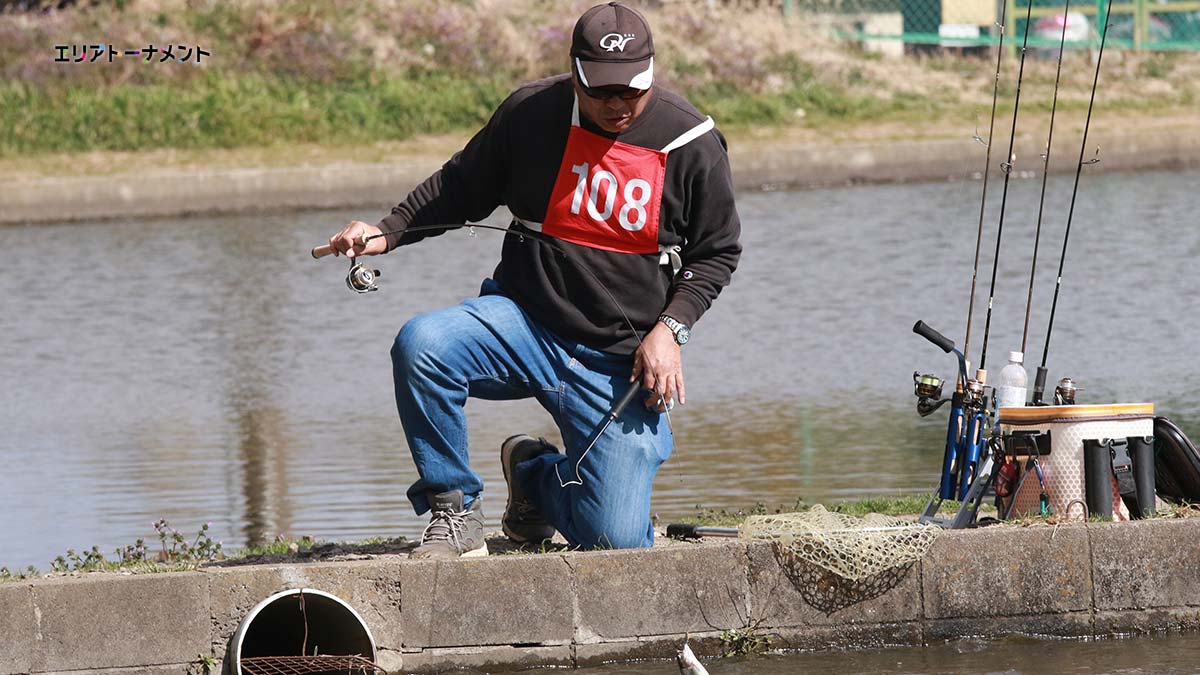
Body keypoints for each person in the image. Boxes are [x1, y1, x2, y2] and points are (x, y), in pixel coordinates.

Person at [325, 2, 741, 558]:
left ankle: (535, 479)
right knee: (424, 345)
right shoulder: (531, 114)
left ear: (651, 71)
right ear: (576, 74)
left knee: (616, 542)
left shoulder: (690, 142)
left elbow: (716, 253)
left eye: (632, 91)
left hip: (620, 358)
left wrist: (670, 329)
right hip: (525, 322)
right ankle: (454, 511)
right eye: (602, 91)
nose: (618, 105)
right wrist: (387, 231)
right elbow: (461, 185)